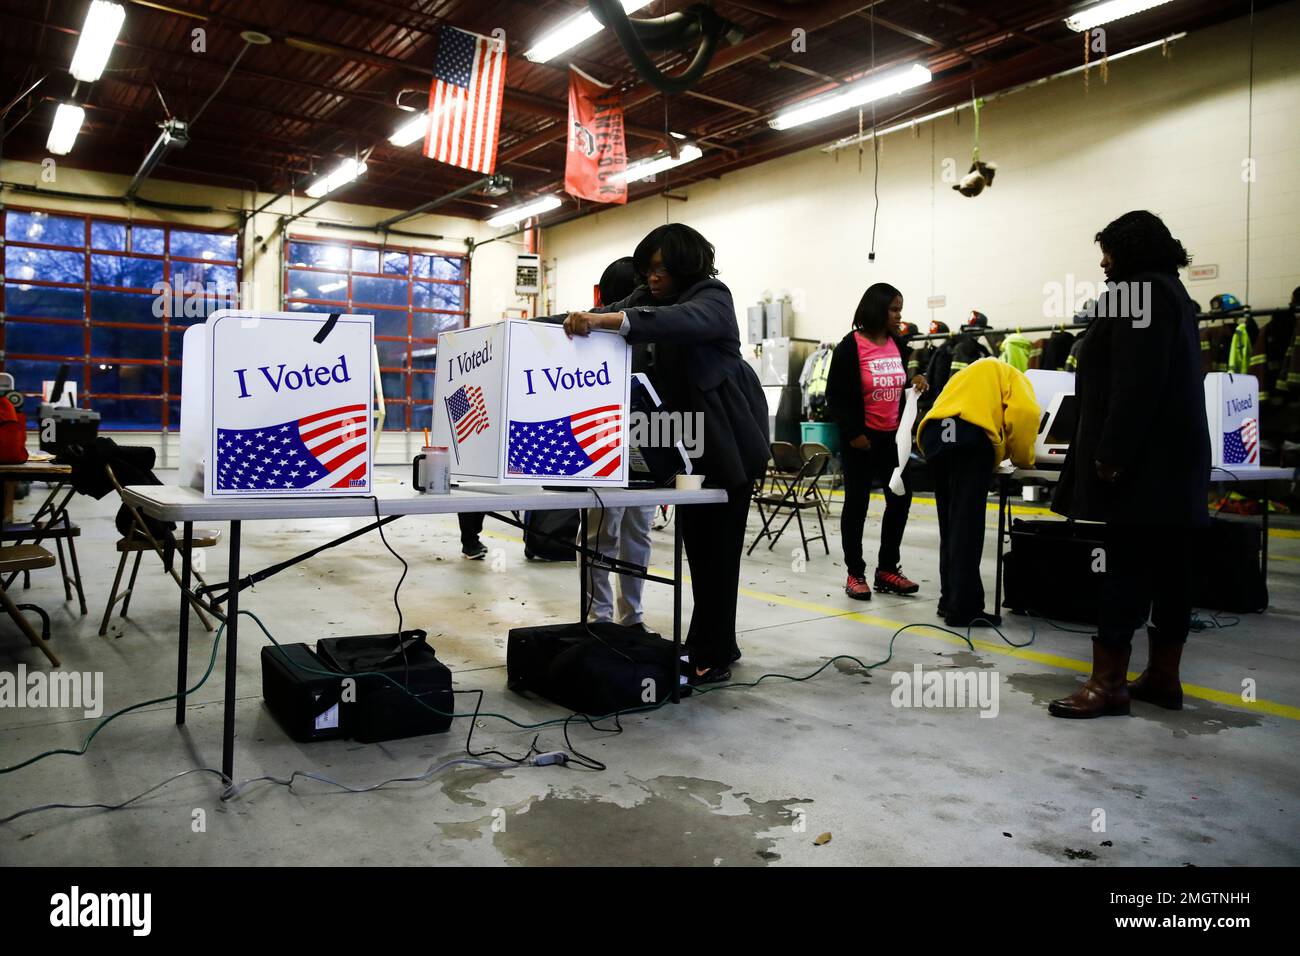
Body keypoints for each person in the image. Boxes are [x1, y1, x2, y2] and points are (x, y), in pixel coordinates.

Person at [563, 223, 769, 684]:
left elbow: (679, 322)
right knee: (700, 552)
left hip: (728, 445)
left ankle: (711, 653)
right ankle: (718, 643)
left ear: (685, 263)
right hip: (691, 448)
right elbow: (603, 313)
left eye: (660, 269)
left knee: (718, 555)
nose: (652, 278)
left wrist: (605, 321)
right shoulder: (648, 298)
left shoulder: (712, 296)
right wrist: (544, 327)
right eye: (647, 270)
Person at [1049, 210, 1210, 719]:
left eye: (1110, 251)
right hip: (1178, 462)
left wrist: (1111, 454)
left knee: (1124, 566)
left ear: (1130, 252)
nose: (1102, 262)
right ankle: (1164, 677)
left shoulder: (1135, 293)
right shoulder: (1175, 294)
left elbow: (1134, 384)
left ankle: (1107, 684)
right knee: (1172, 570)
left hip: (1142, 464)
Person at [916, 357, 1040, 627]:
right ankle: (964, 609)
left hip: (935, 435)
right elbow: (1024, 414)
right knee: (967, 526)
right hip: (968, 438)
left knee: (950, 524)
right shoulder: (1016, 378)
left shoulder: (973, 374)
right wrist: (1023, 459)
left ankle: (949, 599)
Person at [825, 282, 927, 600]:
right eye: (894, 309)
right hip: (862, 441)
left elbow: (901, 377)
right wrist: (854, 434)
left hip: (893, 440)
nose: (899, 315)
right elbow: (835, 396)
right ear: (877, 309)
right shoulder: (849, 347)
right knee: (857, 505)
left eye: (900, 309)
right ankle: (855, 573)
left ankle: (886, 569)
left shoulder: (898, 342)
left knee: (900, 499)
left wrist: (916, 380)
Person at [584, 257, 656, 629]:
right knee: (604, 531)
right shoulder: (593, 331)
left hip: (642, 438)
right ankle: (599, 617)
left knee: (633, 530)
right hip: (603, 438)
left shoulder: (652, 327)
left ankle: (631, 617)